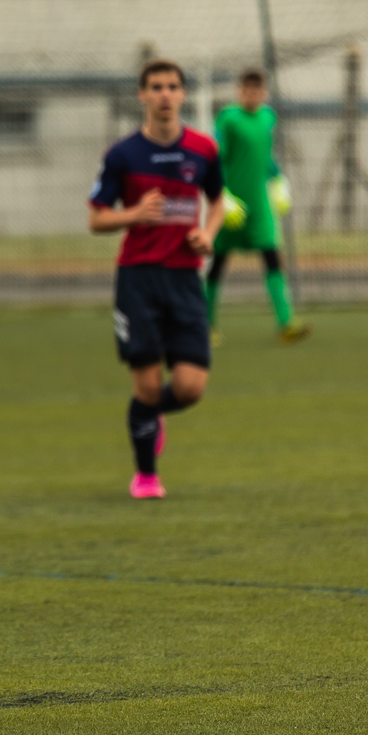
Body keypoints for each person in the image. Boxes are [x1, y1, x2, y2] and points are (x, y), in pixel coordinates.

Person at [88, 59, 225, 499]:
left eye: (172, 86)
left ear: (182, 94)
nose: (165, 94)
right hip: (138, 279)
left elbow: (218, 202)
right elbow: (96, 218)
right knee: (146, 385)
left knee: (189, 388)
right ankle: (146, 475)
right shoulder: (122, 155)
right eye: (156, 87)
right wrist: (134, 214)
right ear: (142, 95)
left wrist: (208, 234)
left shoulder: (203, 150)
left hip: (185, 279)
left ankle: (148, 415)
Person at [206, 69, 310, 344]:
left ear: (264, 93)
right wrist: (222, 195)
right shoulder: (228, 119)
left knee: (272, 257)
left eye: (257, 91)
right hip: (232, 206)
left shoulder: (267, 118)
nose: (253, 96)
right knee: (217, 263)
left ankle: (286, 323)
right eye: (247, 91)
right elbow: (215, 157)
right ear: (240, 92)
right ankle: (204, 326)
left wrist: (278, 180)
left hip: (260, 206)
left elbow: (266, 156)